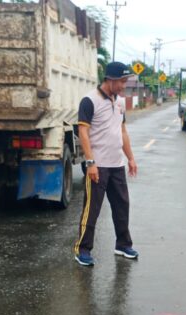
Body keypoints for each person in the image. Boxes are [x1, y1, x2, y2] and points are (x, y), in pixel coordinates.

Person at [73, 62, 139, 267]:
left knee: (122, 205)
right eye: (122, 81)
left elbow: (123, 131)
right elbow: (83, 132)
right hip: (98, 165)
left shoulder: (119, 102)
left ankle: (123, 244)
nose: (124, 86)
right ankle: (83, 249)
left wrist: (130, 158)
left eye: (125, 81)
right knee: (92, 209)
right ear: (110, 79)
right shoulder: (90, 100)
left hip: (116, 164)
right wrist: (90, 162)